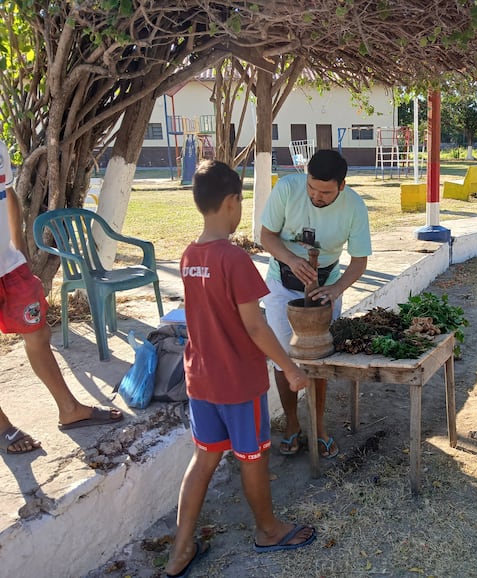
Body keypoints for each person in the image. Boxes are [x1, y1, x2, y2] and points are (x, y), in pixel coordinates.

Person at [165, 160, 316, 577]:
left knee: (204, 459)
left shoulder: (188, 256)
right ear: (232, 202)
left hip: (201, 380)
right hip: (238, 382)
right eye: (240, 201)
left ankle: (181, 548)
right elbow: (255, 324)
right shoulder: (234, 259)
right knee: (253, 458)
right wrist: (289, 368)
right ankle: (267, 530)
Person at [0, 139, 123, 454]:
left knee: (38, 332)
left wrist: (20, 250)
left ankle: (69, 409)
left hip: (8, 265)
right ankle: (2, 427)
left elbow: (7, 195)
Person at [260, 149, 372, 459]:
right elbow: (267, 236)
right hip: (282, 282)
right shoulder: (286, 189)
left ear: (342, 186)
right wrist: (292, 260)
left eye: (325, 191)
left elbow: (359, 262)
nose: (316, 196)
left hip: (325, 286)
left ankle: (319, 427)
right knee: (283, 358)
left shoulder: (355, 207)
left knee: (319, 361)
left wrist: (335, 289)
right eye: (311, 187)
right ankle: (292, 424)